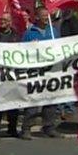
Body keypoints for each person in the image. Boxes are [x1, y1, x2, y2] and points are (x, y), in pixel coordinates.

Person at [20, 7, 59, 139]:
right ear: (36, 17)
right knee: (33, 101)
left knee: (51, 100)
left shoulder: (53, 31)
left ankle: (49, 127)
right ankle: (26, 128)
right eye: (43, 15)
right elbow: (21, 52)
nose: (45, 18)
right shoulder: (29, 33)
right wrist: (30, 47)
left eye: (47, 15)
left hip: (51, 70)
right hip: (34, 71)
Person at [0, 12, 21, 137]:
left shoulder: (17, 36)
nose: (2, 21)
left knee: (13, 103)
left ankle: (12, 128)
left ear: (10, 22)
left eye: (5, 20)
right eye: (1, 19)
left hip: (12, 74)